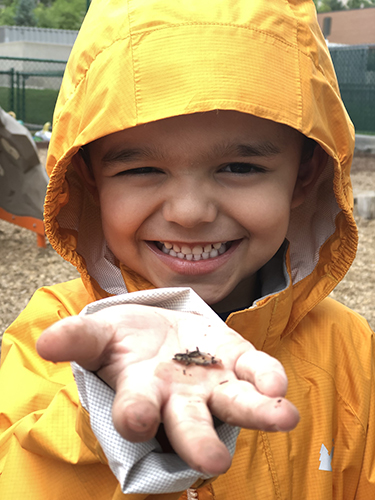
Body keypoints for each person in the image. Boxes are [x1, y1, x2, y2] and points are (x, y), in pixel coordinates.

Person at [0, 0, 374, 498]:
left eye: (240, 168)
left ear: (304, 175)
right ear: (89, 178)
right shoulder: (55, 336)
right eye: (140, 170)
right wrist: (116, 415)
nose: (190, 212)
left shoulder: (350, 352)